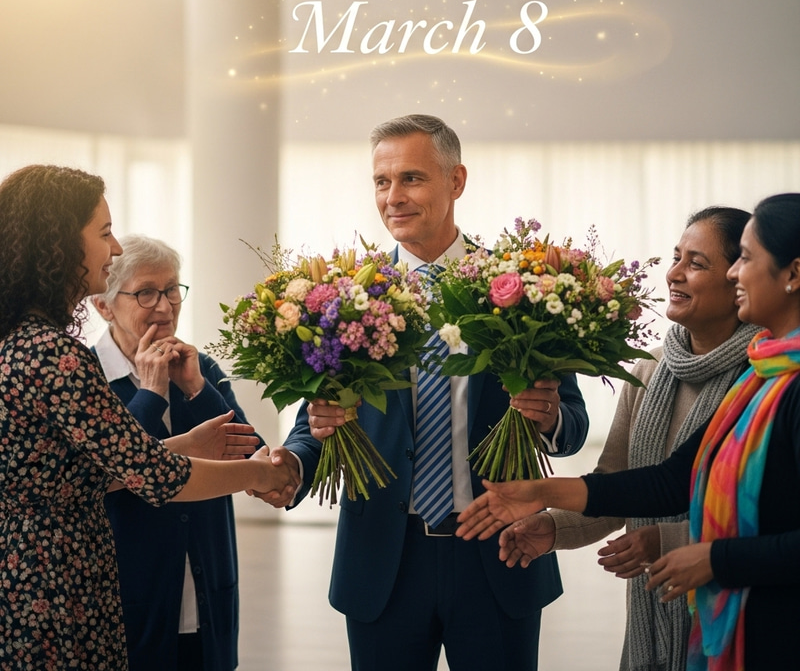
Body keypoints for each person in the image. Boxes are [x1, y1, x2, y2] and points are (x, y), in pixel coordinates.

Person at [268, 115, 589, 671]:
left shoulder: (523, 288)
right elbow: (317, 418)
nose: (393, 197)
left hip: (499, 552)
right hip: (383, 562)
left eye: (412, 178)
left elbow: (573, 424)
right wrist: (294, 460)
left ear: (456, 181)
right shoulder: (346, 299)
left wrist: (549, 419)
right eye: (381, 182)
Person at [457, 192, 800, 670]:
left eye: (740, 259)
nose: (675, 273)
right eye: (676, 257)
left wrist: (692, 550)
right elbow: (660, 483)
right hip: (687, 621)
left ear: (792, 274)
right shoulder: (732, 375)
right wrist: (545, 504)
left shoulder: (761, 378)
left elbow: (773, 520)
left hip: (764, 624)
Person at [0, 165, 298, 670]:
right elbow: (146, 472)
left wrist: (195, 408)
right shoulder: (60, 356)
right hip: (61, 592)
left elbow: (97, 468)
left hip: (56, 583)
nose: (112, 248)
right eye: (103, 232)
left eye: (173, 290)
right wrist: (264, 473)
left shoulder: (23, 343)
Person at [92, 235, 263, 671]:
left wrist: (196, 389)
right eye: (146, 292)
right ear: (104, 306)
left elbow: (252, 458)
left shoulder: (199, 367)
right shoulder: (85, 376)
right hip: (128, 599)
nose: (165, 306)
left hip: (208, 589)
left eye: (172, 289)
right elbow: (104, 475)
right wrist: (150, 392)